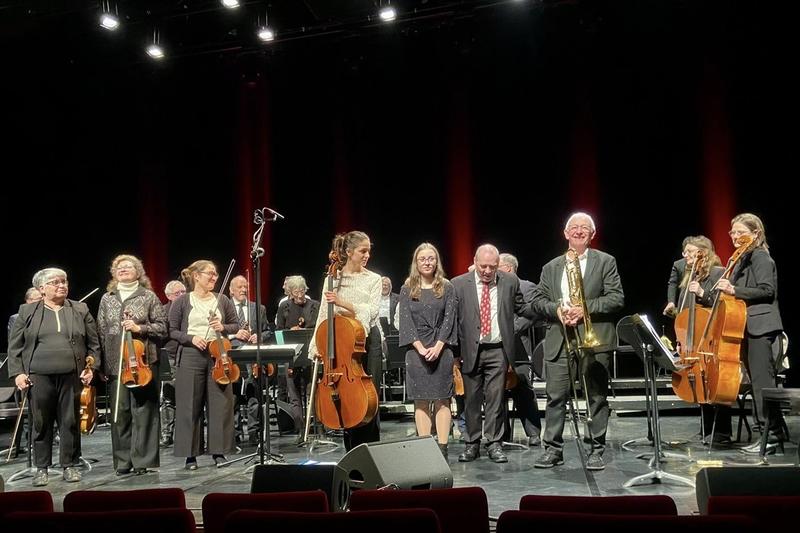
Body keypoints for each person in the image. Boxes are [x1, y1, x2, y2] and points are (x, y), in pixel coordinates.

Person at [532, 212, 624, 471]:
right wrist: (557, 310)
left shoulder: (605, 262)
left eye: (585, 227)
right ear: (565, 233)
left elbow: (616, 298)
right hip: (560, 339)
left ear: (592, 234)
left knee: (596, 396)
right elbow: (538, 301)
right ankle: (552, 449)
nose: (579, 231)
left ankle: (596, 448)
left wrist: (585, 308)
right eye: (574, 227)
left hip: (592, 339)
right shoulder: (551, 267)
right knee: (555, 397)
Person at [7, 267, 99, 486]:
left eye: (64, 281)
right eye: (56, 282)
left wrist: (91, 367)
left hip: (71, 374)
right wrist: (18, 373)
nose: (62, 285)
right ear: (42, 288)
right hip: (38, 376)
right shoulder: (27, 312)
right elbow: (15, 347)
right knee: (40, 422)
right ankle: (42, 468)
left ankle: (70, 465)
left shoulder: (79, 308)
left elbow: (94, 344)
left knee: (69, 421)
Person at [451, 244, 531, 464]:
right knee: (471, 400)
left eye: (492, 266)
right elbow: (453, 322)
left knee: (496, 399)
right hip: (470, 350)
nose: (487, 270)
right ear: (475, 262)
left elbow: (522, 308)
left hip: (498, 349)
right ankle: (472, 444)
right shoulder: (458, 284)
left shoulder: (510, 281)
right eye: (483, 266)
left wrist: (548, 308)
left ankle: (494, 443)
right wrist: (456, 354)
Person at [714, 214, 786, 455]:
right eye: (732, 233)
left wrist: (734, 289)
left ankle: (771, 435)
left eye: (740, 232)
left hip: (761, 327)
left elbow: (766, 291)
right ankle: (765, 434)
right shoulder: (743, 259)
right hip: (747, 326)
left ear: (755, 233)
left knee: (762, 384)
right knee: (757, 383)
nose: (734, 237)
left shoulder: (761, 257)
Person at [168, 260, 249, 469]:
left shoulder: (222, 300)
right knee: (189, 405)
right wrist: (190, 338)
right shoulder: (183, 301)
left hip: (218, 355)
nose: (214, 277)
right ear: (196, 276)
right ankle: (190, 455)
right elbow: (172, 331)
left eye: (215, 274)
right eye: (209, 274)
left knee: (220, 403)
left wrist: (222, 326)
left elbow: (235, 325)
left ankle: (219, 452)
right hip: (190, 355)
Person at [309, 231, 382, 450]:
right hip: (340, 342)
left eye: (369, 250)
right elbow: (324, 313)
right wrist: (316, 346)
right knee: (345, 396)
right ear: (349, 252)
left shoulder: (374, 279)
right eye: (363, 250)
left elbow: (372, 312)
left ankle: (371, 452)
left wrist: (343, 303)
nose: (367, 255)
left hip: (367, 341)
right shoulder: (332, 279)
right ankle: (351, 452)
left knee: (368, 398)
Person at [97, 254, 168, 475]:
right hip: (116, 364)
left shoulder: (148, 296)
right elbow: (101, 332)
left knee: (145, 412)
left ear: (138, 272)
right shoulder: (107, 298)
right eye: (119, 267)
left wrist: (140, 329)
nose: (123, 269)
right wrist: (102, 366)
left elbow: (162, 327)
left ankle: (142, 461)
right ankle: (123, 461)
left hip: (144, 362)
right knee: (121, 413)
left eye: (128, 266)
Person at [398, 243, 457, 459]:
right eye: (422, 259)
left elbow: (450, 320)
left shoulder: (447, 287)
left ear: (437, 261)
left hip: (442, 350)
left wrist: (439, 345)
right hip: (416, 352)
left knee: (443, 399)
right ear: (416, 262)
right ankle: (425, 451)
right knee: (420, 400)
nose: (427, 262)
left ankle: (442, 449)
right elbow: (405, 322)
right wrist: (421, 348)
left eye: (431, 258)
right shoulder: (407, 288)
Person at [498, 252, 543, 447]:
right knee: (496, 392)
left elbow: (532, 313)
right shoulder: (492, 287)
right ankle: (502, 434)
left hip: (519, 350)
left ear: (508, 268)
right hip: (496, 349)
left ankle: (533, 433)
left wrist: (511, 329)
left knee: (523, 391)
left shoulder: (527, 286)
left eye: (496, 266)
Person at [228, 274, 271, 445]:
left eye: (245, 286)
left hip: (253, 357)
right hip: (232, 356)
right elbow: (219, 332)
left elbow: (268, 331)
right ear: (231, 291)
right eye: (239, 287)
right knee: (234, 396)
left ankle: (254, 433)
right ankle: (235, 433)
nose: (244, 289)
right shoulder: (225, 308)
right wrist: (234, 334)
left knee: (254, 395)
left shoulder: (258, 308)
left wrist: (258, 337)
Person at [276, 275, 320, 435]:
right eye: (296, 292)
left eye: (302, 290)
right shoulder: (284, 307)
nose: (300, 295)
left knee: (312, 392)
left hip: (310, 355)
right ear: (290, 292)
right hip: (291, 357)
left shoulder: (314, 306)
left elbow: (320, 329)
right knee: (294, 395)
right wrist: (289, 332)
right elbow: (278, 333)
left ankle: (315, 427)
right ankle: (300, 429)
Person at [159, 280, 185, 447]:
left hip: (187, 356)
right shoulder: (162, 311)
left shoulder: (190, 309)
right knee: (168, 397)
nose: (182, 295)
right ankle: (166, 434)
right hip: (168, 357)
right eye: (178, 293)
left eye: (184, 292)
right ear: (168, 296)